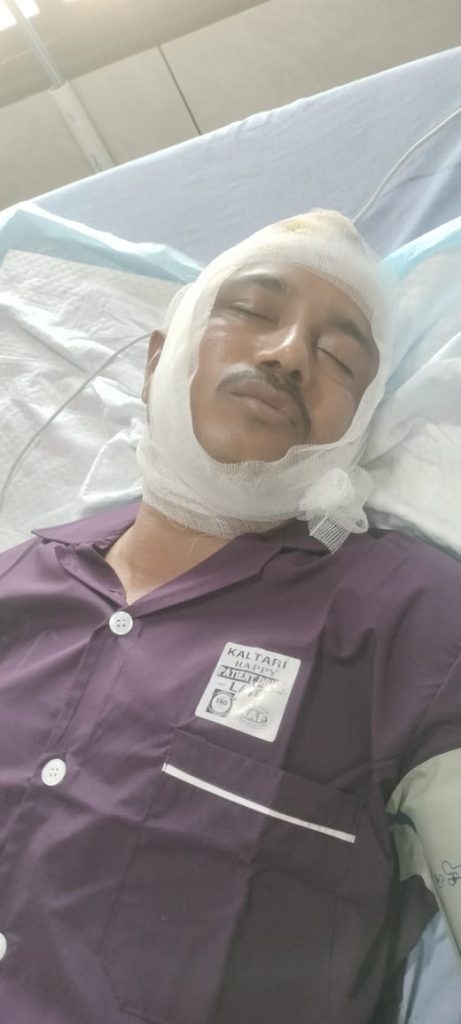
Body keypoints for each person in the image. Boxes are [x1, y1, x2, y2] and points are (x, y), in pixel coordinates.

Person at [0, 210, 460, 1024]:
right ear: (158, 360)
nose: (287, 355)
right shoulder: (15, 580)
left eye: (340, 358)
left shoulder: (409, 618)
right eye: (249, 311)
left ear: (358, 426)